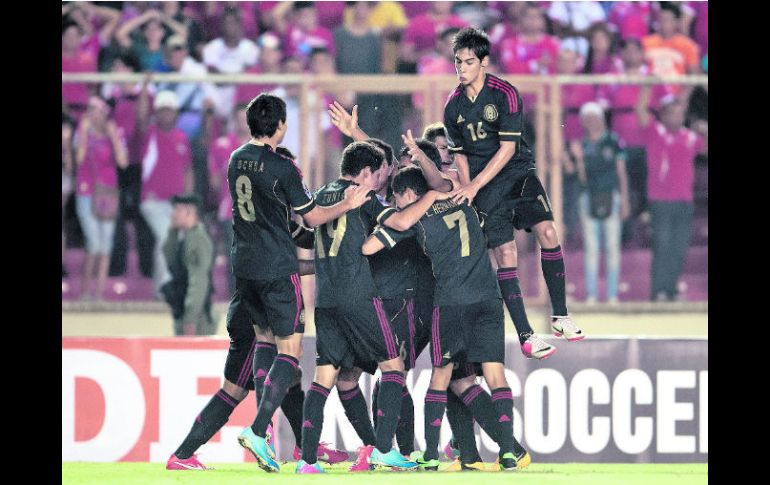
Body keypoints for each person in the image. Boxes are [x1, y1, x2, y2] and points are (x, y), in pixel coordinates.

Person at [226, 94, 372, 473]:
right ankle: (260, 430)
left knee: (264, 340)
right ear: (281, 126)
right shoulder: (282, 168)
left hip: (244, 267)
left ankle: (264, 433)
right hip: (276, 267)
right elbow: (313, 218)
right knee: (289, 354)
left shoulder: (234, 159)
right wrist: (348, 205)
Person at [362, 167, 531, 472]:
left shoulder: (416, 218)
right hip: (488, 298)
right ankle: (507, 453)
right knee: (496, 376)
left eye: (399, 199)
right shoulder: (464, 199)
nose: (399, 205)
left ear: (408, 194)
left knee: (441, 377)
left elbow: (370, 246)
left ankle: (429, 454)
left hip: (451, 303)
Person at [298, 141, 448, 473]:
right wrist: (431, 198)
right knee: (393, 368)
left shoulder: (322, 196)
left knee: (326, 379)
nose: (380, 182)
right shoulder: (361, 195)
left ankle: (307, 461)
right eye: (377, 174)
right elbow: (398, 222)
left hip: (324, 300)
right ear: (365, 173)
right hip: (359, 296)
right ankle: (382, 449)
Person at [444, 28, 584, 359]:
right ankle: (526, 335)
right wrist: (468, 186)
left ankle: (560, 316)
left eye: (468, 62)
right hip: (485, 185)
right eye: (457, 62)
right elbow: (460, 153)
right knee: (505, 255)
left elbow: (508, 148)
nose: (462, 68)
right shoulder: (452, 107)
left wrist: (474, 185)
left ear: (484, 62)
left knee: (549, 232)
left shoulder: (505, 93)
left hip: (518, 173)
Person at [636, 90, 707, 301]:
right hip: (660, 201)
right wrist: (647, 87)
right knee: (663, 246)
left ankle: (672, 290)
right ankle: (658, 291)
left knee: (679, 248)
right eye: (672, 114)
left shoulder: (690, 137)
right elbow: (640, 111)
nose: (676, 118)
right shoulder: (655, 133)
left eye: (679, 114)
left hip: (684, 201)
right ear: (664, 116)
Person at [136, 87, 194, 294]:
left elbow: (187, 170)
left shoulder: (182, 137)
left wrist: (188, 201)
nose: (167, 114)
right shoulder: (150, 133)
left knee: (170, 243)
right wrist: (145, 88)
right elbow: (141, 118)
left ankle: (160, 287)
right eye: (162, 110)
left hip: (175, 202)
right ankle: (165, 288)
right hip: (152, 200)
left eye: (170, 110)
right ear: (156, 112)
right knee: (166, 239)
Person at [571, 102, 630, 304]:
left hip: (610, 196)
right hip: (588, 197)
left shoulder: (613, 142)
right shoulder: (583, 145)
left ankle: (612, 294)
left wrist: (624, 201)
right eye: (587, 119)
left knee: (612, 247)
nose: (592, 122)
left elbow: (621, 174)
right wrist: (578, 159)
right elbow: (582, 178)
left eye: (595, 118)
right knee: (592, 248)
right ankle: (592, 295)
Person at [74, 95, 128, 301]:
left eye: (98, 110)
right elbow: (79, 158)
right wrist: (85, 132)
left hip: (108, 193)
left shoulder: (115, 133)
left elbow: (123, 162)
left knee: (106, 244)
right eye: (91, 109)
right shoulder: (82, 131)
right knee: (94, 242)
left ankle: (99, 294)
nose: (94, 114)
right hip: (86, 192)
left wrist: (113, 136)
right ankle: (85, 292)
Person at [160, 194, 216, 335]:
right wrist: (172, 231)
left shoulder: (197, 239)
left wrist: (190, 319)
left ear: (190, 213)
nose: (173, 214)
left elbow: (199, 281)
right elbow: (171, 261)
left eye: (178, 210)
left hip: (197, 318)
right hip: (184, 311)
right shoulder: (185, 236)